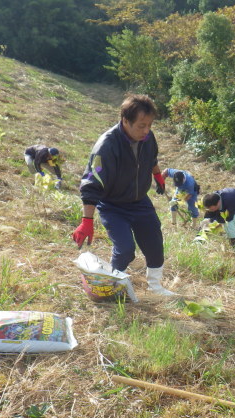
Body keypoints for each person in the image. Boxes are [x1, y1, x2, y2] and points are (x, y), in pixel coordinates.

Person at [72, 94, 175, 296]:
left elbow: (152, 158)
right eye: (141, 126)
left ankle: (155, 286)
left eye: (150, 125)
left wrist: (157, 176)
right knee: (126, 249)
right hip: (113, 205)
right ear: (125, 121)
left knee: (154, 241)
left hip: (139, 201)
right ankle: (111, 284)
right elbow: (92, 183)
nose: (146, 131)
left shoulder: (147, 137)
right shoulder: (107, 146)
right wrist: (87, 220)